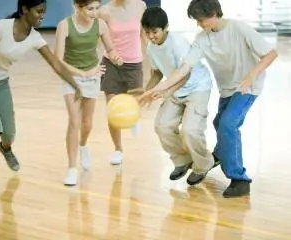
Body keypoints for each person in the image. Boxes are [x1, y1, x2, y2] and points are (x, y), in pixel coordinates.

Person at [139, 0, 278, 197]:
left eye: (200, 19)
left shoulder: (239, 29)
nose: (198, 23)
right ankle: (218, 154)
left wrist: (250, 76)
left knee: (228, 125)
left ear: (214, 13)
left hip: (248, 87)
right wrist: (154, 90)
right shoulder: (202, 39)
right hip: (227, 89)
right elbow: (184, 69)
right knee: (219, 123)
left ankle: (239, 178)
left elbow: (271, 53)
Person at [0, 0, 81, 191]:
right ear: (24, 10)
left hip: (1, 81)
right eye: (39, 11)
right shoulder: (0, 28)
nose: (43, 16)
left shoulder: (35, 38)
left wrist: (75, 84)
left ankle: (6, 148)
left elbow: (55, 63)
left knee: (9, 132)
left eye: (44, 12)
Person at [140, 6, 217, 185]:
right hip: (175, 88)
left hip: (197, 87)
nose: (151, 36)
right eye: (147, 32)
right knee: (162, 126)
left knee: (190, 131)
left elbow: (186, 74)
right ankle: (183, 161)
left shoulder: (178, 43)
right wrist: (146, 91)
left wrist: (164, 91)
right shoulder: (151, 47)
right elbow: (157, 73)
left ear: (165, 27)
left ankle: (203, 164)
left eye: (154, 32)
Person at [54, 0, 122, 186]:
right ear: (77, 7)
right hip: (71, 77)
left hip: (92, 76)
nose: (94, 12)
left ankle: (83, 145)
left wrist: (115, 56)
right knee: (74, 121)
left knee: (87, 123)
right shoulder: (64, 26)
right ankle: (72, 169)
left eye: (97, 8)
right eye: (90, 9)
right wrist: (83, 73)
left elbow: (110, 48)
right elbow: (58, 61)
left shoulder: (100, 25)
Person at [98, 0, 147, 165]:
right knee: (112, 107)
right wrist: (112, 54)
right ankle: (118, 149)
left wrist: (153, 55)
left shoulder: (140, 5)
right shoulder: (105, 11)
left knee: (137, 101)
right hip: (112, 63)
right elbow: (101, 37)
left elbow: (143, 33)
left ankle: (134, 118)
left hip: (134, 63)